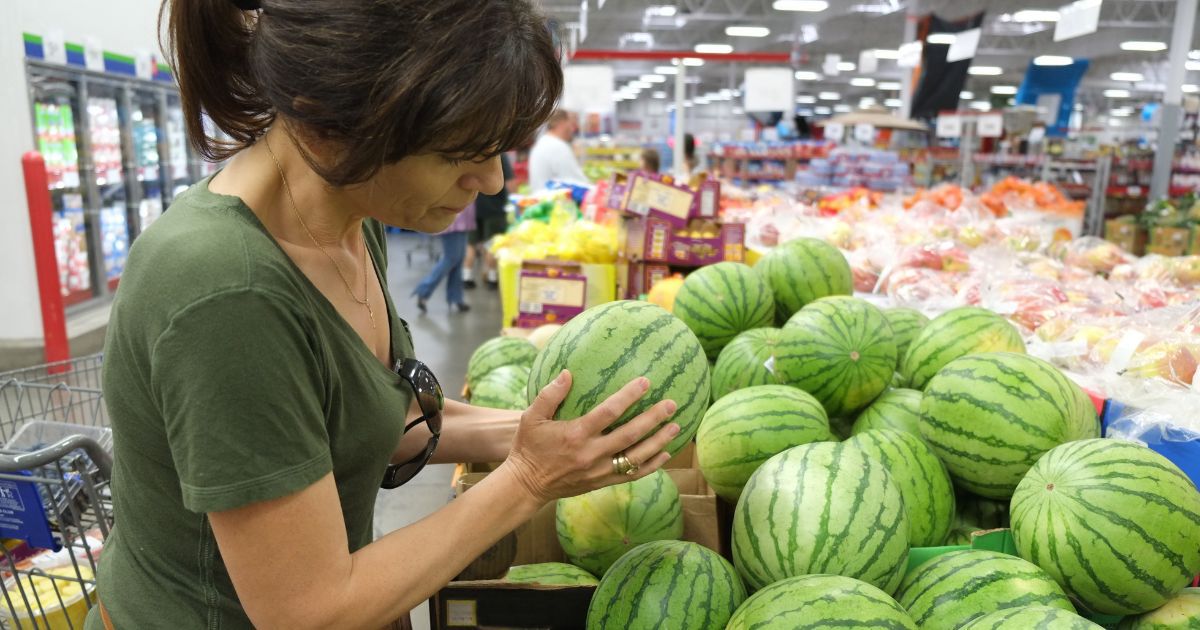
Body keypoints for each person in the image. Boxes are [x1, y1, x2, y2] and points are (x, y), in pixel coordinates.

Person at [89, 1, 680, 628]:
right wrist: (530, 478)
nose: (493, 181)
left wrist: (545, 435)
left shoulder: (346, 221)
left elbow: (371, 414)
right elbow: (307, 612)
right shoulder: (228, 290)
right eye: (460, 154)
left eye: (501, 148)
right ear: (330, 125)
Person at [463, 153, 514, 289]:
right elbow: (509, 182)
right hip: (494, 208)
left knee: (471, 243)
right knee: (492, 243)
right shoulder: (500, 154)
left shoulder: (472, 150)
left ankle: (466, 277)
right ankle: (492, 278)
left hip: (472, 206)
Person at [415, 201, 474, 312]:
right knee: (451, 258)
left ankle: (456, 298)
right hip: (454, 218)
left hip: (463, 217)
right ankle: (423, 290)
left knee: (459, 259)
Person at [527, 109, 587, 192]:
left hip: (541, 200)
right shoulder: (558, 147)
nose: (572, 129)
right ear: (562, 123)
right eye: (570, 124)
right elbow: (576, 182)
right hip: (552, 202)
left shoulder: (543, 143)